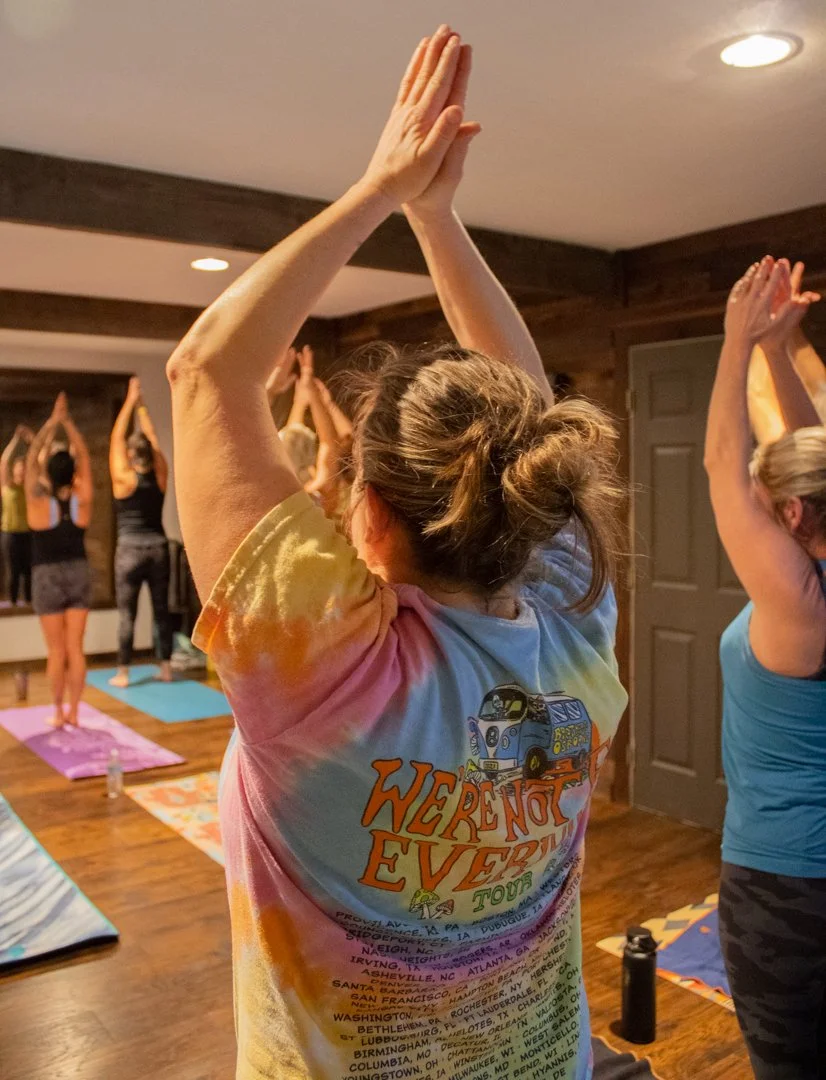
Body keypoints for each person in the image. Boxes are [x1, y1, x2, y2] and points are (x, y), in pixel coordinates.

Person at [168, 26, 627, 1080]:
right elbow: (527, 410)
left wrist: (389, 191)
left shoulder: (326, 674)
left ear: (363, 512)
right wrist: (428, 211)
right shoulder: (574, 634)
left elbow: (204, 372)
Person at [705, 256, 826, 1079]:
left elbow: (721, 465)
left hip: (789, 890)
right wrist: (781, 355)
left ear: (788, 513)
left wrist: (735, 342)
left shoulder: (796, 604)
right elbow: (814, 462)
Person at [25, 393, 93, 728]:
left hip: (47, 576)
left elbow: (31, 461)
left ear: (48, 475)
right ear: (73, 475)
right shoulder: (83, 500)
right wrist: (68, 424)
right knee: (75, 650)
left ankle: (57, 712)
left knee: (56, 651)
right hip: (78, 571)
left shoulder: (37, 503)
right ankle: (76, 713)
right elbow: (84, 457)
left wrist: (51, 422)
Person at [108, 376, 173, 687]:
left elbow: (116, 438)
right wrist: (144, 410)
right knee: (161, 610)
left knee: (127, 614)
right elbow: (154, 440)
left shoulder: (123, 479)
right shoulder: (161, 475)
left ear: (132, 457)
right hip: (158, 549)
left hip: (130, 552)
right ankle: (166, 668)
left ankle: (123, 671)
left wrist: (130, 401)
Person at [1, 425, 34, 606]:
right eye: (19, 468)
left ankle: (29, 604)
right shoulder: (7, 487)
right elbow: (4, 462)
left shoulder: (28, 488)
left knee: (28, 571)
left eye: (24, 468)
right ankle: (13, 605)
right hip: (10, 534)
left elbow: (38, 462)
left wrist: (31, 440)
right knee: (13, 572)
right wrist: (15, 440)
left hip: (27, 533)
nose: (22, 471)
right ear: (14, 470)